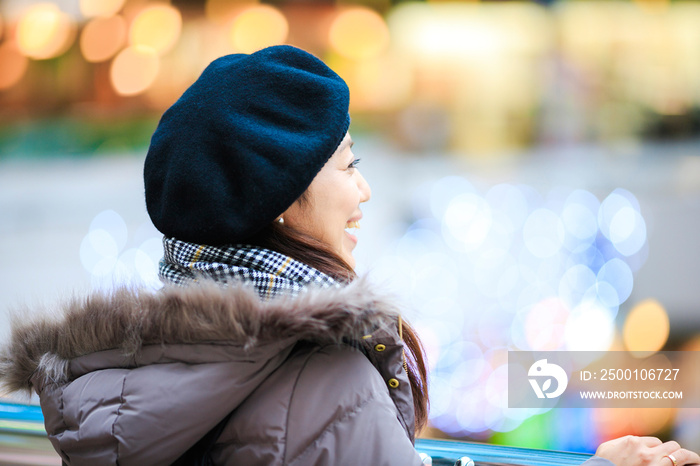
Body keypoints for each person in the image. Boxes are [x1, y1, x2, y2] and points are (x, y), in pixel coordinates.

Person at [0, 45, 697, 466]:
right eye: (347, 165)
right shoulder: (326, 379)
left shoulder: (131, 365)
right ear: (280, 196)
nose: (363, 190)